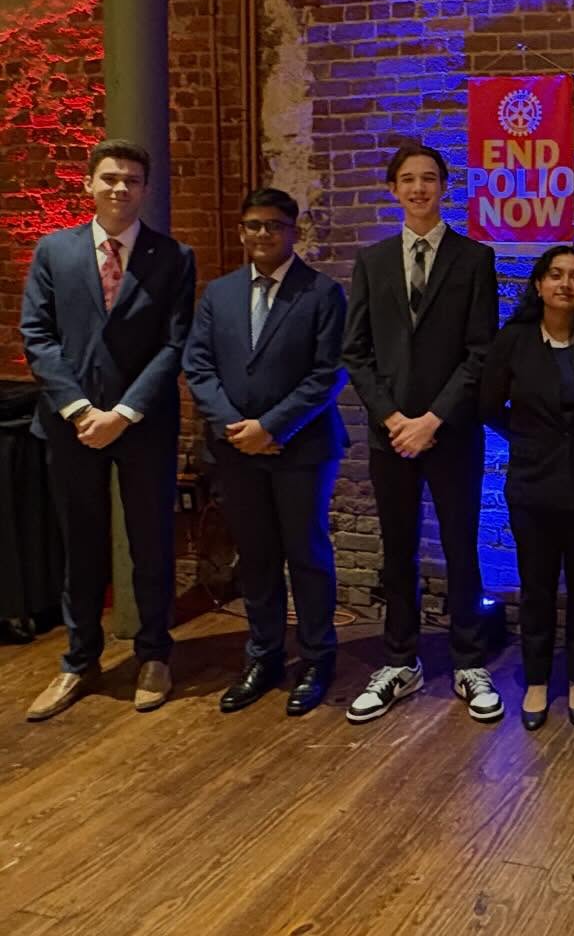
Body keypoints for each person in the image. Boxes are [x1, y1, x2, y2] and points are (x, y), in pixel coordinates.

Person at [21, 138, 196, 720]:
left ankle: (155, 654)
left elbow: (175, 343)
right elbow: (37, 335)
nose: (121, 188)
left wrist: (122, 413)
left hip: (143, 426)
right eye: (110, 178)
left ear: (145, 189)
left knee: (152, 544)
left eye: (132, 180)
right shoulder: (54, 251)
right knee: (81, 546)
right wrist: (78, 410)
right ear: (89, 184)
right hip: (71, 427)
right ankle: (78, 660)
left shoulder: (173, 257)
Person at [341, 142, 501, 724]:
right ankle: (399, 660)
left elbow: (481, 352)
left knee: (462, 547)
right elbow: (356, 352)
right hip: (390, 435)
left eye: (429, 178)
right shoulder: (372, 261)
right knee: (398, 550)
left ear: (444, 187)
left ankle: (469, 662)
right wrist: (393, 419)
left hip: (451, 432)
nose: (418, 188)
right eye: (407, 179)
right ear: (393, 189)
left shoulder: (474, 259)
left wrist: (433, 419)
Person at [182, 188, 349, 717]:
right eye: (253, 225)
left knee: (307, 555)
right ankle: (264, 656)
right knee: (255, 557)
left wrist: (272, 426)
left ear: (293, 231)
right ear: (241, 231)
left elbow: (328, 374)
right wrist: (236, 427)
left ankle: (318, 658)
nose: (263, 234)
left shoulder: (322, 293)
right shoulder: (220, 294)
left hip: (303, 448)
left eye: (274, 225)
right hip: (236, 449)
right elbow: (198, 364)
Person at [480, 245, 574, 731]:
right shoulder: (514, 340)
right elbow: (488, 405)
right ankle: (538, 679)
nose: (565, 284)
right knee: (537, 587)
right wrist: (529, 438)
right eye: (556, 275)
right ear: (539, 284)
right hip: (533, 483)